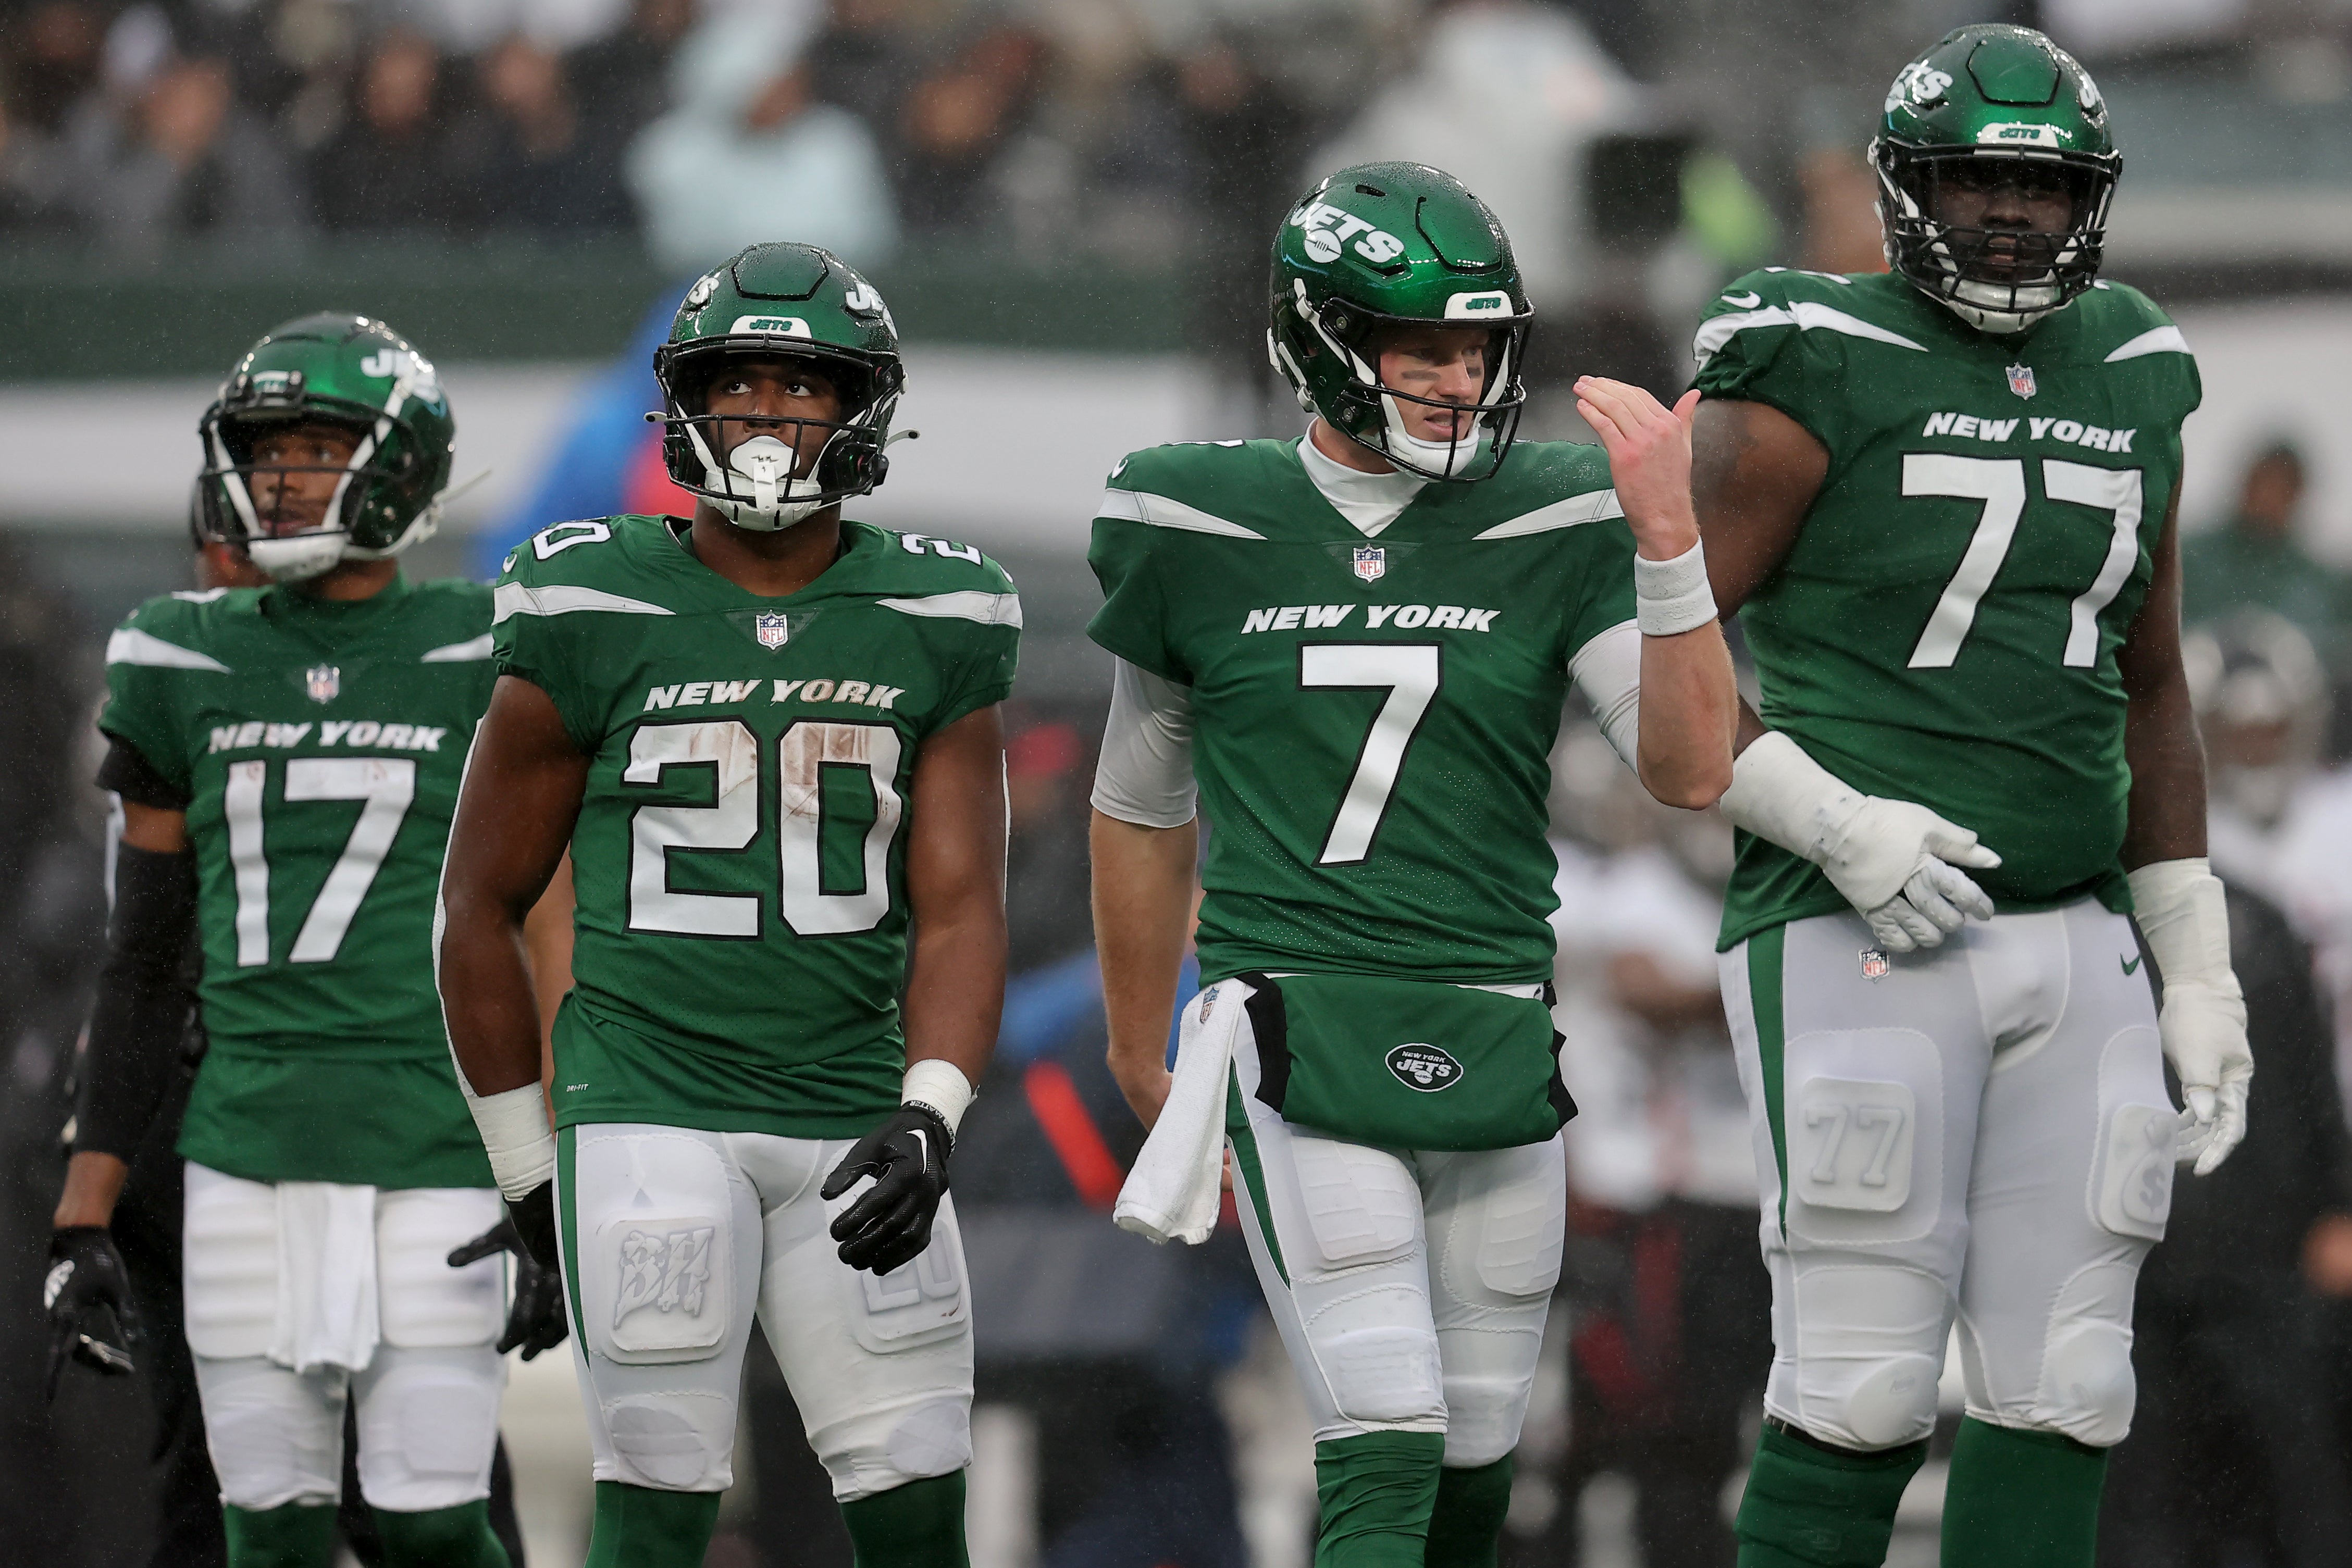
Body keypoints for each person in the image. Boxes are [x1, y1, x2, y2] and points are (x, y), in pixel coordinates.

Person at [1092, 161, 1737, 1566]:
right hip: (1300, 1011)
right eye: (1420, 345)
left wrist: (1672, 538)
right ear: (1322, 340)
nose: (1458, 376)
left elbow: (1689, 766)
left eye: (1477, 345)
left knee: (1475, 1464)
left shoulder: (1553, 510)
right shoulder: (1196, 515)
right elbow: (1140, 801)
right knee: (1380, 1433)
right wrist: (1142, 1044)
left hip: (1496, 1014)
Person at [1689, 24, 2250, 1567]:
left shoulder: (2132, 359)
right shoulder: (1810, 344)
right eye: (1971, 179)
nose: (2007, 213)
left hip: (2075, 930)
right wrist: (1828, 818)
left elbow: (2148, 679)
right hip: (1854, 918)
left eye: (2039, 185)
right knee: (1858, 1382)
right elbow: (1645, 643)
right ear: (1900, 187)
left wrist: (2191, 957)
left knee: (2067, 1376)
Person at [435, 240, 1016, 1567]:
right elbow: (474, 902)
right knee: (656, 1502)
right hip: (649, 1102)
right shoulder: (587, 595)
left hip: (853, 1110)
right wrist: (529, 1170)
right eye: (737, 385)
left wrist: (931, 1114)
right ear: (682, 404)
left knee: (921, 1504)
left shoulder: (940, 607)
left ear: (860, 408)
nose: (765, 417)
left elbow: (964, 904)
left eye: (800, 388)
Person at [42, 314, 568, 1568]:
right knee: (256, 1532)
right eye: (265, 451)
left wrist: (552, 1168)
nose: (277, 478)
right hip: (237, 1142)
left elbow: (540, 924)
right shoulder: (179, 656)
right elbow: (144, 959)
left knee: (434, 1525)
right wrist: (85, 1208)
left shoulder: (483, 644)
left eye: (313, 448)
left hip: (431, 1137)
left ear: (398, 464)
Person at [2180, 443, 2351, 665]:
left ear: (2298, 496)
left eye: (2283, 489)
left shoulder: (2323, 584)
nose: (2269, 498)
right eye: (2264, 484)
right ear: (2245, 484)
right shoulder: (2189, 559)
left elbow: (2336, 647)